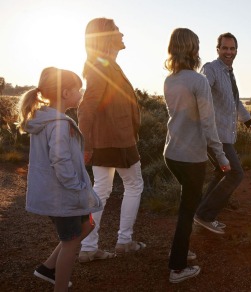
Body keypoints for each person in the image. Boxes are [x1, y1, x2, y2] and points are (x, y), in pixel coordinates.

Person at [18, 67, 102, 291]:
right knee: (71, 242)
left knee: (87, 226)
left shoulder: (49, 119)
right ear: (66, 93)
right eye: (78, 89)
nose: (81, 93)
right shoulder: (58, 123)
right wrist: (76, 186)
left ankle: (47, 268)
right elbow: (60, 160)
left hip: (64, 192)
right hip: (63, 194)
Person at [163, 27, 231, 283]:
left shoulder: (170, 79)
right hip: (191, 157)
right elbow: (208, 124)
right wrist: (222, 158)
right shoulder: (198, 81)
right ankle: (177, 268)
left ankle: (177, 251)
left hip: (171, 153)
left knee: (186, 205)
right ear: (193, 48)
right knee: (187, 210)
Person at [77, 17, 145, 262]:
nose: (122, 33)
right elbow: (86, 108)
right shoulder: (103, 66)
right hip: (117, 139)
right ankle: (124, 241)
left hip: (108, 139)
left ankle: (88, 247)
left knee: (102, 190)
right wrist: (85, 144)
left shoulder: (104, 64)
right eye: (117, 30)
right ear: (106, 36)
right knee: (134, 185)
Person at [194, 32, 251, 234]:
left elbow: (235, 103)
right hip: (214, 135)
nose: (229, 52)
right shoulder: (211, 69)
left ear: (236, 51)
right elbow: (203, 91)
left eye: (232, 48)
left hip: (225, 134)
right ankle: (204, 215)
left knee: (221, 172)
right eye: (225, 48)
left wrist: (250, 124)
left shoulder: (229, 73)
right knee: (235, 173)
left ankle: (202, 213)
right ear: (217, 49)